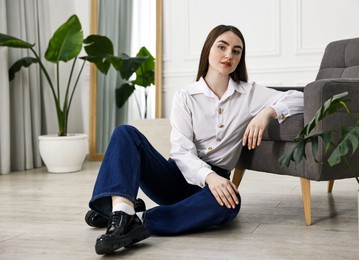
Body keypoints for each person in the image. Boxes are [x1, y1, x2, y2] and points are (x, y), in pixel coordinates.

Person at [86, 24, 304, 255]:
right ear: (208, 49)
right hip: (175, 177)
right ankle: (121, 212)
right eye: (222, 47)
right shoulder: (185, 96)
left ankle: (134, 217)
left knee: (230, 204)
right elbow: (180, 151)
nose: (229, 55)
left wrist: (266, 113)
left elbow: (298, 98)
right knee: (125, 133)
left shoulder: (249, 94)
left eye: (236, 51)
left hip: (213, 186)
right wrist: (208, 177)